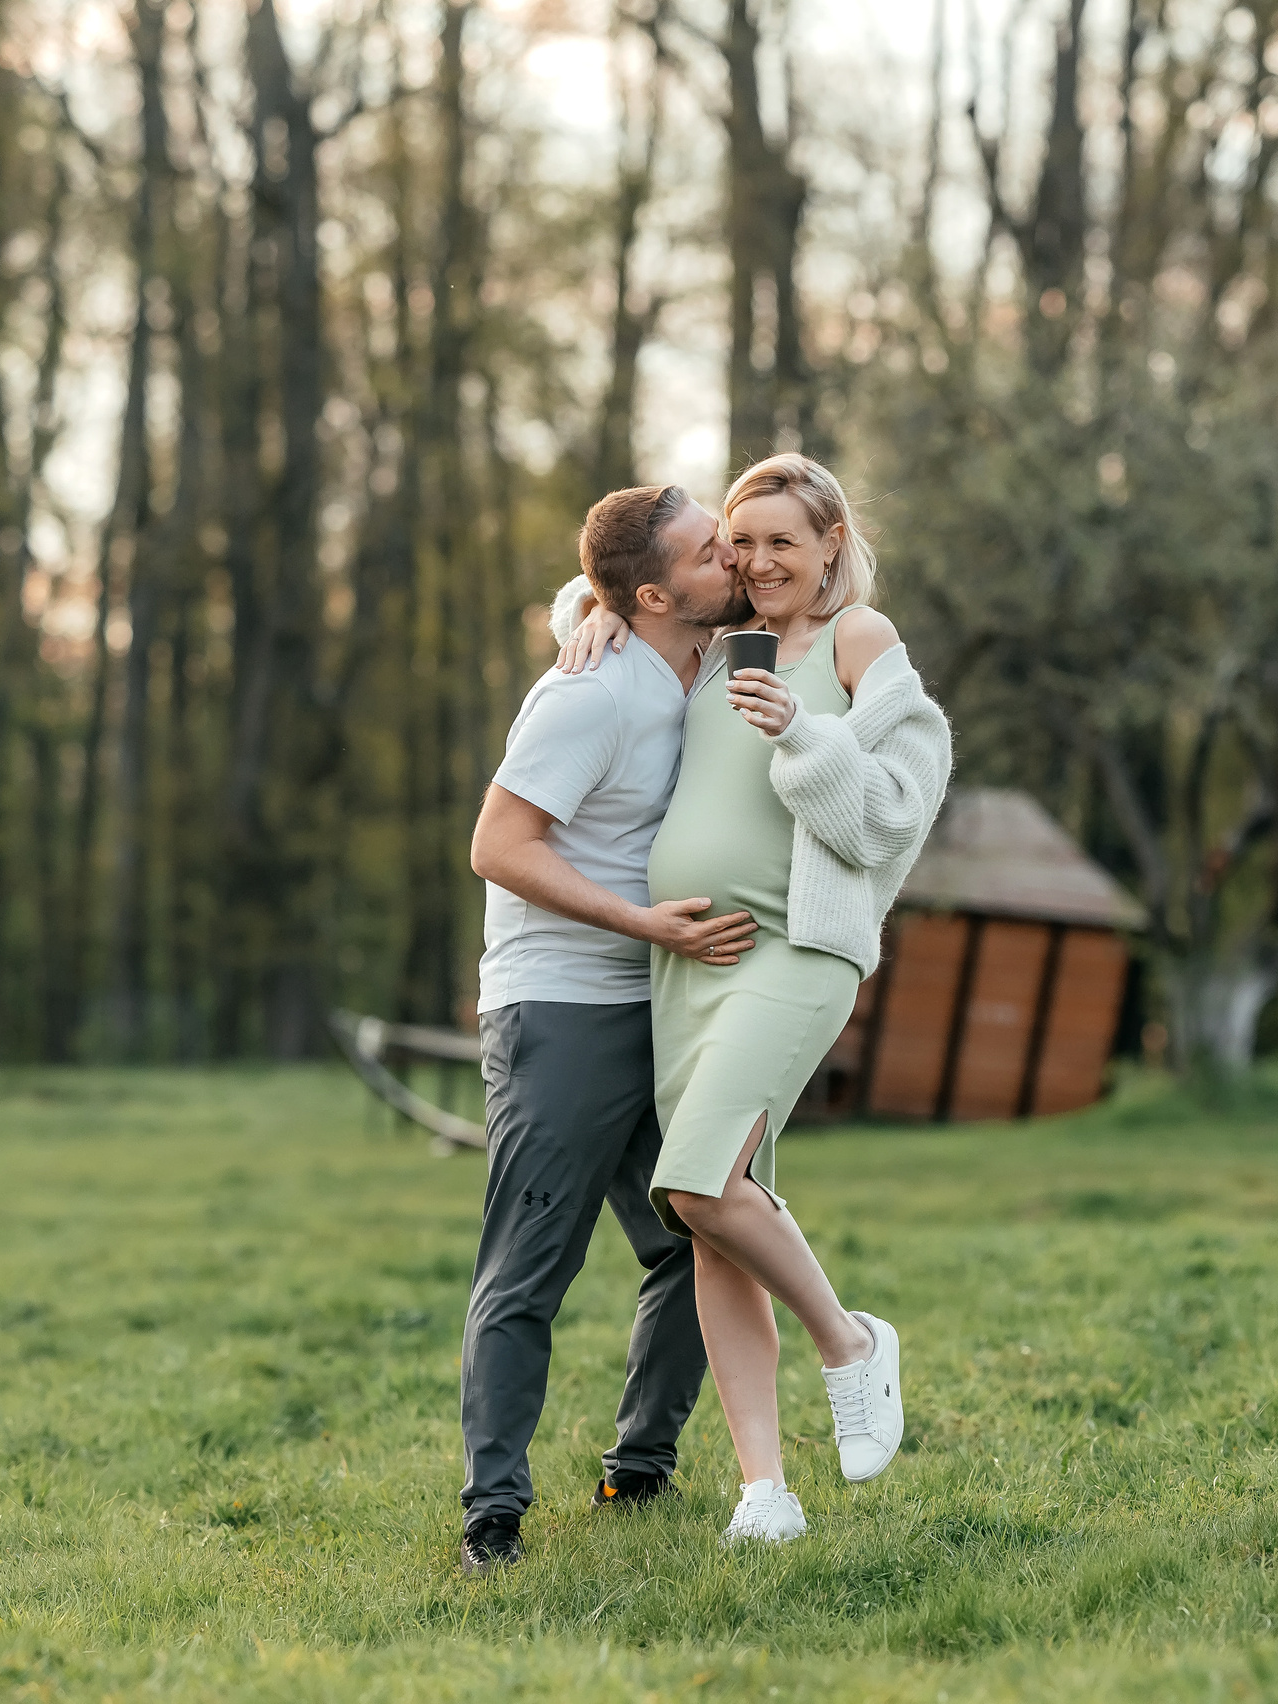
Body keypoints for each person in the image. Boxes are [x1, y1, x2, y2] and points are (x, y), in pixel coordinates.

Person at [555, 452, 952, 1546]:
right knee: (708, 1225)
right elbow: (636, 587)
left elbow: (895, 811)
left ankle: (849, 1341)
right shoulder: (717, 634)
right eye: (742, 541)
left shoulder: (856, 642)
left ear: (831, 544)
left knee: (689, 1181)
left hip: (796, 945)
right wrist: (585, 614)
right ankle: (762, 1495)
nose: (758, 560)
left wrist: (801, 732)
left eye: (783, 540)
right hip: (690, 963)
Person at [454, 484, 757, 1577]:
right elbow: (498, 845)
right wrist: (637, 922)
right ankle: (493, 1516)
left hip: (667, 1003)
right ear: (651, 592)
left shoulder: (705, 659)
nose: (730, 555)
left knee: (703, 1235)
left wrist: (576, 604)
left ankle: (640, 1469)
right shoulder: (587, 694)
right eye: (707, 549)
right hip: (563, 1007)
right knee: (530, 1267)